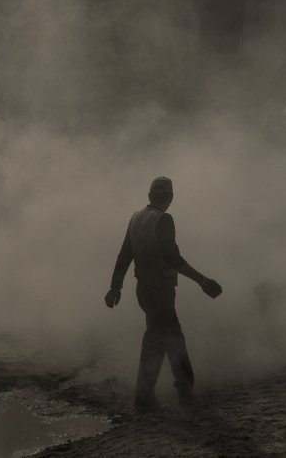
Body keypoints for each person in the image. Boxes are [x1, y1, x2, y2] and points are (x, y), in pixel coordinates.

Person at [105, 176, 222, 411]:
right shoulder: (164, 220)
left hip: (144, 290)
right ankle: (151, 396)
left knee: (166, 336)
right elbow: (172, 258)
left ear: (150, 197)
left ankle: (174, 390)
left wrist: (115, 286)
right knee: (162, 340)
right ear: (170, 198)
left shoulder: (136, 218)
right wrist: (203, 281)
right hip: (160, 289)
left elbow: (124, 256)